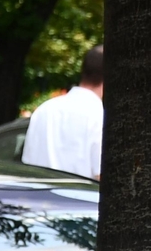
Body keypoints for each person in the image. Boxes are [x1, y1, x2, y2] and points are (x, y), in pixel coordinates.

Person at [22, 44, 104, 179]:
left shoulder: (44, 110)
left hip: (38, 197)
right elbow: (101, 175)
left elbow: (27, 166)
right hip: (80, 198)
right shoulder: (99, 117)